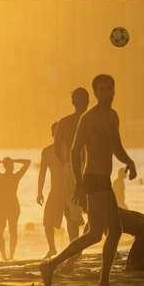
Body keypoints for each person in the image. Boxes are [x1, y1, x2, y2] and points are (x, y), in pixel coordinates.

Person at [40, 74, 137, 286]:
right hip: (92, 180)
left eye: (108, 88)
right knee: (107, 231)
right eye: (100, 89)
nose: (105, 93)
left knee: (101, 232)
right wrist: (80, 183)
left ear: (113, 90)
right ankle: (92, 277)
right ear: (95, 93)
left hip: (103, 180)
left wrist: (129, 162)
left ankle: (54, 266)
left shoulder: (112, 116)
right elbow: (75, 151)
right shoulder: (89, 119)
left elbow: (116, 147)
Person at [54, 88, 90, 239]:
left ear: (73, 102)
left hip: (72, 167)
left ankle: (75, 246)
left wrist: (66, 164)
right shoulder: (92, 119)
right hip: (89, 166)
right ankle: (79, 244)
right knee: (93, 208)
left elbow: (56, 148)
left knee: (71, 211)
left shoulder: (64, 122)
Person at [0, 157, 30, 260]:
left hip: (13, 206)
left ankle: (10, 255)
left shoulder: (14, 176)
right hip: (4, 206)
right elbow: (27, 162)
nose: (12, 167)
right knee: (1, 231)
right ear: (5, 166)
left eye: (12, 165)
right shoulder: (2, 177)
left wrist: (11, 160)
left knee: (12, 231)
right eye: (10, 165)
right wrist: (9, 161)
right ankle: (5, 255)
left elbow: (28, 162)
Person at [37, 122, 65, 258]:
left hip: (71, 189)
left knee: (73, 221)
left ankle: (76, 251)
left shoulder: (71, 149)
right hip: (55, 191)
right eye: (56, 132)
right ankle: (52, 248)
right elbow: (42, 172)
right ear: (53, 134)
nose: (59, 134)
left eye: (61, 132)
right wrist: (39, 192)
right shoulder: (47, 151)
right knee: (47, 221)